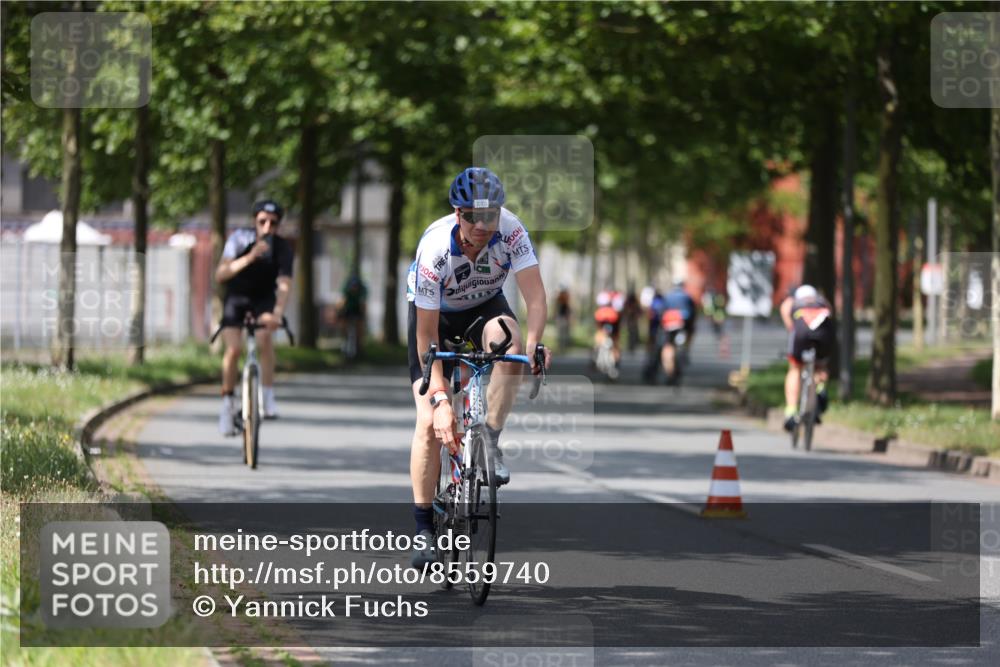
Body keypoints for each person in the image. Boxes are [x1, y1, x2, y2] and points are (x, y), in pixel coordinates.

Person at [406, 167, 551, 567]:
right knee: (428, 422)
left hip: (484, 308)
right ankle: (422, 529)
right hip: (434, 319)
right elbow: (426, 338)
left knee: (512, 345)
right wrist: (438, 398)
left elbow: (535, 298)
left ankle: (489, 439)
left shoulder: (512, 231)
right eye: (473, 216)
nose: (484, 225)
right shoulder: (435, 249)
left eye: (491, 215)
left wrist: (537, 343)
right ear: (458, 214)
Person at [215, 200, 293, 434]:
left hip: (264, 300)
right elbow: (221, 274)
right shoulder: (238, 239)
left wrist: (277, 313)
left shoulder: (283, 248)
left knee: (264, 339)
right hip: (237, 298)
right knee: (234, 349)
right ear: (254, 222)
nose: (268, 227)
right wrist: (250, 257)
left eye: (273, 223)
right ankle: (227, 403)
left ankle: (267, 396)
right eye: (262, 221)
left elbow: (285, 284)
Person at [780, 284, 836, 432]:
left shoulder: (792, 301)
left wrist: (793, 329)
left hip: (801, 332)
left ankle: (791, 412)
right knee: (821, 365)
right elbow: (831, 314)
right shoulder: (821, 300)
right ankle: (821, 389)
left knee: (795, 368)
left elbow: (787, 317)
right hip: (824, 333)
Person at [658, 279, 697, 384]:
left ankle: (669, 371)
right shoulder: (687, 296)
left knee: (668, 347)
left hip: (669, 324)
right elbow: (693, 313)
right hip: (684, 324)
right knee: (687, 337)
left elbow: (661, 312)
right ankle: (685, 351)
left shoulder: (667, 296)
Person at [338, 273, 367, 359]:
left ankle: (359, 345)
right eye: (352, 287)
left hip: (357, 308)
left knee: (359, 326)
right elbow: (342, 301)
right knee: (344, 324)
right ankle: (344, 340)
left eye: (355, 287)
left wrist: (363, 317)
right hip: (348, 307)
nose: (354, 289)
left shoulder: (362, 291)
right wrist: (340, 313)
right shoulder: (346, 289)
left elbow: (363, 305)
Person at [592, 289, 623, 368]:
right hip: (610, 324)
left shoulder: (601, 310)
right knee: (613, 341)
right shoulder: (614, 308)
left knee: (611, 340)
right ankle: (597, 353)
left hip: (610, 324)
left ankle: (596, 354)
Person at [555, 285, 572, 352]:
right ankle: (561, 345)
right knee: (561, 333)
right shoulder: (559, 298)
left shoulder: (566, 298)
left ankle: (564, 345)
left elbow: (568, 310)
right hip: (561, 317)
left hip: (564, 318)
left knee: (564, 333)